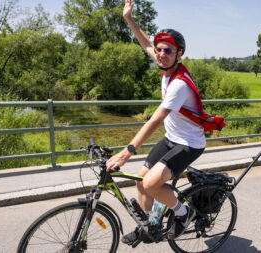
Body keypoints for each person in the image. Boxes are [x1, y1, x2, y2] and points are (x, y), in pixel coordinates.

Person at [105, 0, 206, 244]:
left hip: (189, 143)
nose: (160, 54)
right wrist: (129, 18)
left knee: (151, 184)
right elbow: (146, 43)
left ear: (178, 54)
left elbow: (155, 120)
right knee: (140, 182)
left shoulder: (179, 84)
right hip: (173, 139)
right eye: (160, 50)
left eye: (167, 51)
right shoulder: (165, 65)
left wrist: (127, 152)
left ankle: (184, 212)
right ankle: (150, 226)